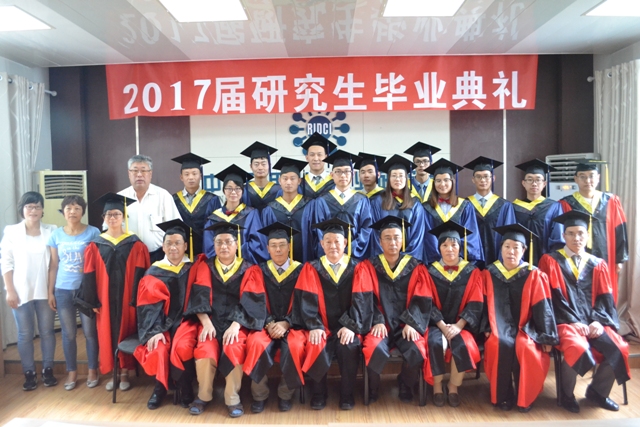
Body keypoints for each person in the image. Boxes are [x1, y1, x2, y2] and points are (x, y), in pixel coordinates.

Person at [171, 222, 266, 418]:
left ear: (237, 244)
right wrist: (206, 322)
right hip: (211, 321)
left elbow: (251, 302)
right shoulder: (205, 267)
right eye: (219, 242)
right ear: (213, 245)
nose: (224, 246)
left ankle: (232, 398)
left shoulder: (249, 269)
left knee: (234, 347)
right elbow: (199, 297)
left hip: (237, 324)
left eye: (228, 242)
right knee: (205, 349)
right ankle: (203, 395)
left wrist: (236, 325)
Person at [539, 211, 630, 413]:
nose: (576, 238)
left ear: (587, 235)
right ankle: (566, 394)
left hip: (594, 322)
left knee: (620, 348)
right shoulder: (550, 261)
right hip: (565, 322)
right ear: (564, 236)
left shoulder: (598, 264)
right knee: (577, 347)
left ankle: (598, 392)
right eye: (571, 233)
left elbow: (605, 297)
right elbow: (550, 297)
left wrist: (598, 321)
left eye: (580, 233)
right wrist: (572, 321)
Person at [75, 193, 150, 391]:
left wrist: (136, 299)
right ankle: (113, 373)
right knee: (106, 334)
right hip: (104, 300)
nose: (113, 217)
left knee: (125, 331)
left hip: (127, 300)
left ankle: (125, 373)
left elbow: (141, 273)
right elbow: (89, 274)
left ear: (123, 217)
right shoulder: (95, 245)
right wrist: (92, 301)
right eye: (108, 214)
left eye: (116, 214)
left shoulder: (135, 244)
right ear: (104, 218)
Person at [355, 216, 431, 404]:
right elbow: (364, 298)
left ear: (402, 240)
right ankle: (373, 386)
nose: (392, 242)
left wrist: (412, 322)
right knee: (373, 348)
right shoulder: (368, 267)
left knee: (417, 350)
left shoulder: (415, 267)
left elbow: (422, 298)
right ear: (380, 242)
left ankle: (405, 382)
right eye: (387, 238)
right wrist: (377, 320)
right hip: (380, 325)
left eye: (396, 237)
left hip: (406, 325)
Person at [482, 224, 558, 412]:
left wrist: (546, 336)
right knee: (497, 343)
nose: (511, 251)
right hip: (497, 326)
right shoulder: (489, 273)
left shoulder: (534, 274)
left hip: (527, 327)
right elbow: (481, 304)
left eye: (516, 247)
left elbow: (543, 307)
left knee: (525, 347)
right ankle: (502, 396)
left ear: (524, 250)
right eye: (507, 246)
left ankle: (525, 398)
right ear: (501, 249)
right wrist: (486, 327)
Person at [290, 218, 362, 410]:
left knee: (349, 346)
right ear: (321, 244)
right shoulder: (312, 268)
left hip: (346, 326)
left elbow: (362, 301)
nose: (333, 246)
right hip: (321, 325)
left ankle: (347, 394)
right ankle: (319, 393)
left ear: (345, 243)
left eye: (337, 241)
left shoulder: (357, 267)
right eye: (328, 241)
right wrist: (314, 325)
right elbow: (305, 300)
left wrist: (350, 325)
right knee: (315, 342)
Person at [134, 219, 202, 410]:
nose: (173, 247)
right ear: (163, 247)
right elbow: (147, 307)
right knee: (159, 347)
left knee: (183, 346)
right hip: (160, 323)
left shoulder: (194, 267)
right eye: (169, 243)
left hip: (187, 321)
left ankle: (185, 386)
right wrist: (154, 331)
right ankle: (160, 388)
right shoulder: (153, 272)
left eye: (177, 243)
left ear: (185, 246)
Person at [243, 223, 306, 413]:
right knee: (255, 342)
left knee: (295, 346)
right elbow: (253, 301)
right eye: (273, 245)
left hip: (293, 325)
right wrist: (269, 323)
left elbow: (307, 302)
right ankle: (259, 395)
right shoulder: (258, 271)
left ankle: (285, 394)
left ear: (289, 247)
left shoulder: (302, 271)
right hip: (264, 324)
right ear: (267, 248)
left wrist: (287, 322)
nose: (278, 249)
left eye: (282, 245)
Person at [1, 191, 58, 391]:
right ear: (22, 209)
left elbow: (54, 265)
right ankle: (29, 373)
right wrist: (9, 290)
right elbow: (6, 262)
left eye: (37, 206)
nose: (33, 210)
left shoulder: (51, 230)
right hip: (20, 291)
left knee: (47, 332)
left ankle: (48, 370)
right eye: (29, 206)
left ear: (42, 210)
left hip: (45, 290)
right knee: (24, 334)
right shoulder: (11, 232)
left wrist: (51, 292)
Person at [424, 222, 483, 407]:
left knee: (462, 343)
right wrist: (442, 326)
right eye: (445, 245)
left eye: (454, 244)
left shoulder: (472, 272)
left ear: (460, 246)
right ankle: (437, 386)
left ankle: (453, 386)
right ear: (439, 248)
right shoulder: (429, 272)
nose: (449, 249)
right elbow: (426, 302)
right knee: (435, 343)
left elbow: (476, 302)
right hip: (436, 325)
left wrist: (459, 326)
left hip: (461, 325)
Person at [47, 195, 100, 390]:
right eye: (68, 208)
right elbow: (54, 265)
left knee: (89, 332)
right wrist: (50, 292)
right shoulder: (56, 235)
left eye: (77, 208)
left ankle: (93, 370)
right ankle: (72, 372)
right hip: (63, 289)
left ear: (82, 212)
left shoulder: (93, 232)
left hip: (85, 290)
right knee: (68, 333)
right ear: (63, 212)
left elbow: (98, 264)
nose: (72, 212)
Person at [559, 160, 628, 303]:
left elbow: (620, 230)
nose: (587, 180)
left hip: (606, 254)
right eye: (582, 176)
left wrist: (619, 259)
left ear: (598, 178)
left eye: (591, 176)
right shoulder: (566, 203)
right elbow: (563, 233)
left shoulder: (611, 201)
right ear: (576, 179)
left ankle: (606, 316)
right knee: (580, 289)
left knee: (606, 290)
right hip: (578, 255)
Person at [118, 154, 182, 263]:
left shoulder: (163, 196)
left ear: (150, 174)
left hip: (158, 256)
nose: (139, 175)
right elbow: (108, 229)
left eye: (143, 171)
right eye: (135, 171)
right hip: (127, 257)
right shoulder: (119, 198)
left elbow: (176, 228)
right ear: (129, 173)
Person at [310, 150, 372, 260]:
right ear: (332, 175)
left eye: (347, 171)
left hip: (355, 257)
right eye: (338, 171)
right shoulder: (322, 201)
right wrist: (331, 249)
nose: (343, 175)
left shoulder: (362, 200)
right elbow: (319, 230)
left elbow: (366, 228)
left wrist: (352, 248)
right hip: (330, 257)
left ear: (353, 174)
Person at [422, 159, 484, 266]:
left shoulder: (465, 206)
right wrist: (440, 261)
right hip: (435, 264)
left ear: (452, 182)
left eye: (446, 180)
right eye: (438, 180)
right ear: (433, 183)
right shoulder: (426, 208)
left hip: (460, 263)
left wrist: (455, 257)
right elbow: (428, 237)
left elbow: (470, 235)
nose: (442, 184)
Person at [202, 164, 268, 265]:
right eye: (229, 188)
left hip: (245, 266)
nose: (233, 192)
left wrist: (235, 250)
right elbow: (209, 247)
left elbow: (258, 243)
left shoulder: (251, 214)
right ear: (224, 191)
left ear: (242, 191)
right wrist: (225, 257)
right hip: (220, 268)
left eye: (237, 188)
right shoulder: (214, 218)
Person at [370, 155, 426, 262]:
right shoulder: (378, 201)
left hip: (408, 261)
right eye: (394, 176)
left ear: (406, 179)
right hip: (384, 260)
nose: (397, 179)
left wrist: (406, 260)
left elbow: (417, 236)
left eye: (401, 176)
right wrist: (385, 258)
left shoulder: (415, 203)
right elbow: (375, 233)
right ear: (389, 179)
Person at [463, 156, 516, 267]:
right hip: (472, 262)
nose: (482, 180)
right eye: (478, 177)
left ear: (493, 178)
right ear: (473, 180)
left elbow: (509, 235)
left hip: (497, 262)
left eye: (486, 176)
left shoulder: (504, 206)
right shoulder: (464, 205)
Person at [261, 157, 314, 263]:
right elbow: (264, 239)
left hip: (305, 262)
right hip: (278, 265)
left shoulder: (310, 205)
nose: (288, 182)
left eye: (292, 178)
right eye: (285, 179)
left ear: (299, 181)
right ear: (279, 181)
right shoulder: (270, 209)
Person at [512, 159, 564, 266]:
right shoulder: (514, 207)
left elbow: (557, 237)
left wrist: (551, 260)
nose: (534, 183)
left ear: (544, 183)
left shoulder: (553, 207)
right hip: (519, 261)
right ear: (523, 183)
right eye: (530, 179)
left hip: (546, 260)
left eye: (538, 180)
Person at [171, 152, 221, 257]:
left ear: (201, 176)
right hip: (180, 254)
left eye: (194, 173)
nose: (191, 177)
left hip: (205, 252)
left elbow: (217, 228)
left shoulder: (212, 199)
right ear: (181, 177)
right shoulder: (173, 199)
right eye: (186, 174)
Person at [240, 141, 281, 212]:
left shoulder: (278, 190)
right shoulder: (244, 190)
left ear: (269, 165)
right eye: (256, 164)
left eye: (263, 164)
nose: (260, 167)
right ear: (251, 166)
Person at [299, 132, 338, 199]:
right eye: (312, 155)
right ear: (307, 158)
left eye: (319, 155)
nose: (316, 158)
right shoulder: (300, 183)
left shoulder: (334, 181)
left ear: (326, 157)